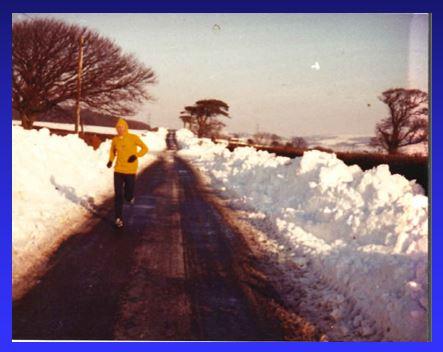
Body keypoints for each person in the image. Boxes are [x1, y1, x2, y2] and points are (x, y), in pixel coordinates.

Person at [107, 118, 148, 228]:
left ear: (126, 127)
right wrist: (110, 160)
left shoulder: (133, 138)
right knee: (118, 195)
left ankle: (129, 197)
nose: (120, 129)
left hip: (130, 170)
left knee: (128, 192)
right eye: (118, 127)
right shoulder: (115, 140)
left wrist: (136, 156)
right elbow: (112, 151)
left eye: (122, 127)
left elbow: (145, 148)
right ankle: (118, 218)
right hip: (118, 170)